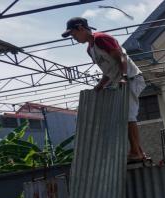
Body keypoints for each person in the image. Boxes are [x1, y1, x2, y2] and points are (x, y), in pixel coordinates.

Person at [61, 17, 148, 163]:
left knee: (128, 115)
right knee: (125, 116)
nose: (73, 38)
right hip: (122, 81)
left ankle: (136, 152)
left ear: (81, 28)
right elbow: (108, 70)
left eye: (73, 34)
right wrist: (100, 85)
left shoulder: (101, 38)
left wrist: (124, 76)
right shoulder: (90, 49)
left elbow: (121, 57)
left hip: (131, 79)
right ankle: (139, 152)